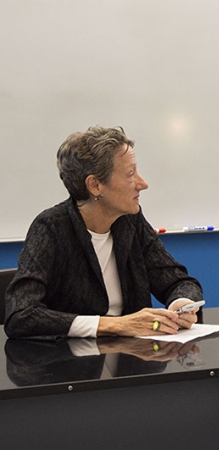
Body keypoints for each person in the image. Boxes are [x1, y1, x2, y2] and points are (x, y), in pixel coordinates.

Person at [5, 126, 203, 339]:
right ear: (95, 185)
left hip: (134, 362)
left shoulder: (130, 221)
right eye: (130, 174)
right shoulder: (51, 227)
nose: (143, 184)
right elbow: (21, 314)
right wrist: (114, 325)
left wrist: (181, 304)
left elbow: (179, 282)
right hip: (69, 365)